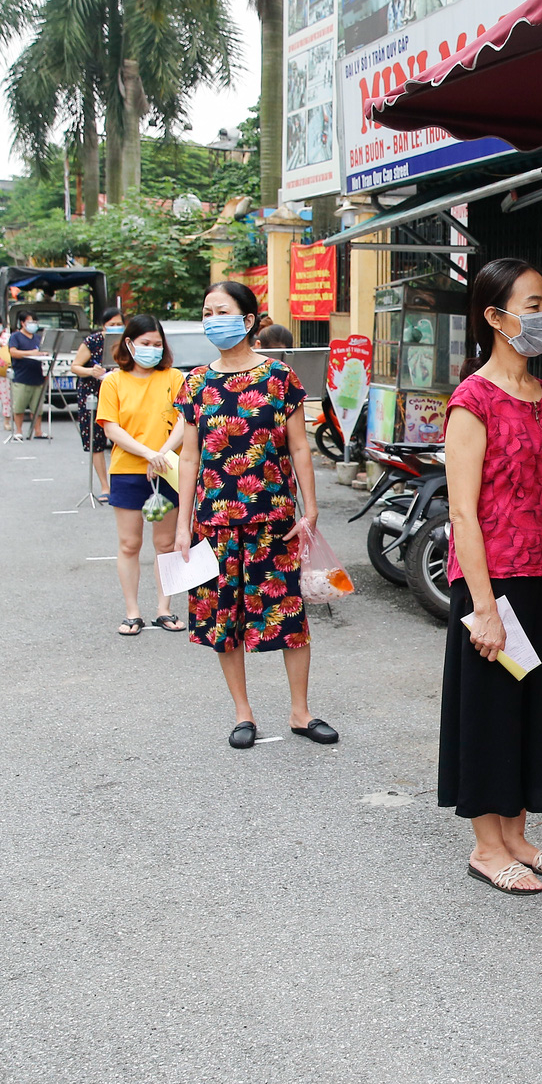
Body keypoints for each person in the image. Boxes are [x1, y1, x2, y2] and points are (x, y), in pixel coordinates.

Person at [439, 259, 542, 895]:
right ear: (495, 316)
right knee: (492, 710)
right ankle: (485, 845)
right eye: (531, 304)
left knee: (537, 710)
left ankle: (519, 835)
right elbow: (463, 514)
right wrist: (485, 608)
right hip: (495, 582)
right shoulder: (471, 402)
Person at [170, 281, 337, 748]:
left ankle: (300, 712)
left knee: (289, 615)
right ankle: (243, 714)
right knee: (224, 620)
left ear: (247, 321)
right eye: (205, 312)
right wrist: (183, 525)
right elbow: (188, 458)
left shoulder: (279, 377)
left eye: (220, 311)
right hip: (214, 523)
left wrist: (312, 506)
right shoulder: (195, 383)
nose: (210, 320)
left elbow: (300, 446)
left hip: (275, 521)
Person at [97, 314, 188, 636]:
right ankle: (132, 612)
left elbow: (185, 420)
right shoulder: (113, 381)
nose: (151, 349)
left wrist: (162, 453)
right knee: (129, 543)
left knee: (166, 544)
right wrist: (147, 453)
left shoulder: (174, 378)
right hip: (128, 469)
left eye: (157, 344)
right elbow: (110, 426)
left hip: (169, 470)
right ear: (129, 344)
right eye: (145, 344)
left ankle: (164, 609)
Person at [70, 306, 123, 501]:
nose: (116, 328)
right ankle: (104, 486)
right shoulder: (93, 341)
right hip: (92, 392)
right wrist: (91, 371)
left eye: (119, 324)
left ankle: (120, 484)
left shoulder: (127, 341)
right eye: (112, 325)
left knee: (121, 438)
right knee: (95, 440)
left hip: (120, 392)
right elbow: (75, 366)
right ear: (103, 326)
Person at [8, 311, 49, 439]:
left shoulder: (38, 338)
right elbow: (13, 352)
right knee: (19, 406)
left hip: (37, 376)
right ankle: (18, 431)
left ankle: (38, 431)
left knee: (37, 407)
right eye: (30, 322)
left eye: (35, 322)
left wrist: (43, 354)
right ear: (22, 323)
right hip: (21, 376)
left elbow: (43, 351)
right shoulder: (16, 337)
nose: (33, 325)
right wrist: (31, 353)